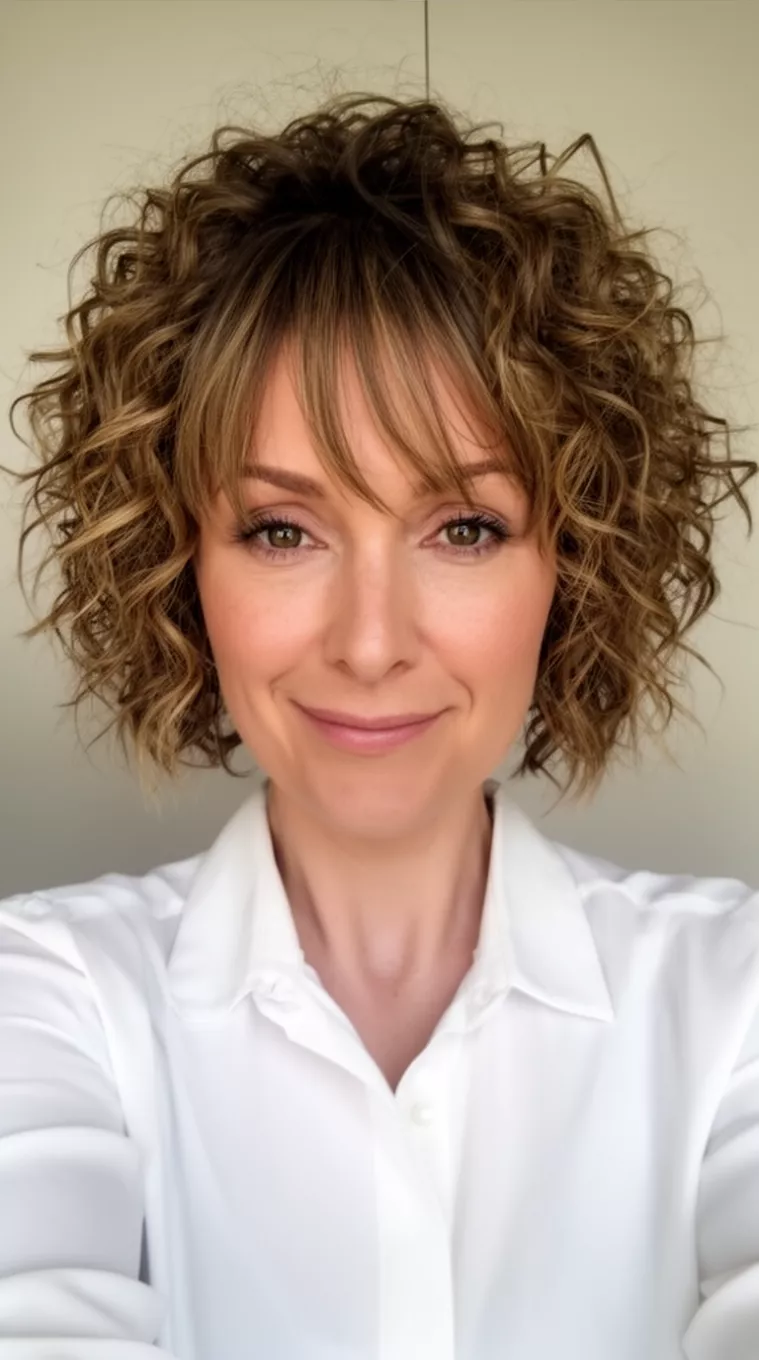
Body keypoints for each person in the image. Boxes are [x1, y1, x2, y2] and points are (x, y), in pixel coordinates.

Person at [1, 89, 758, 1360]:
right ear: (182, 567)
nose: (367, 640)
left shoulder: (734, 994)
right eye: (282, 529)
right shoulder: (46, 995)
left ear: (574, 562)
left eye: (464, 528)